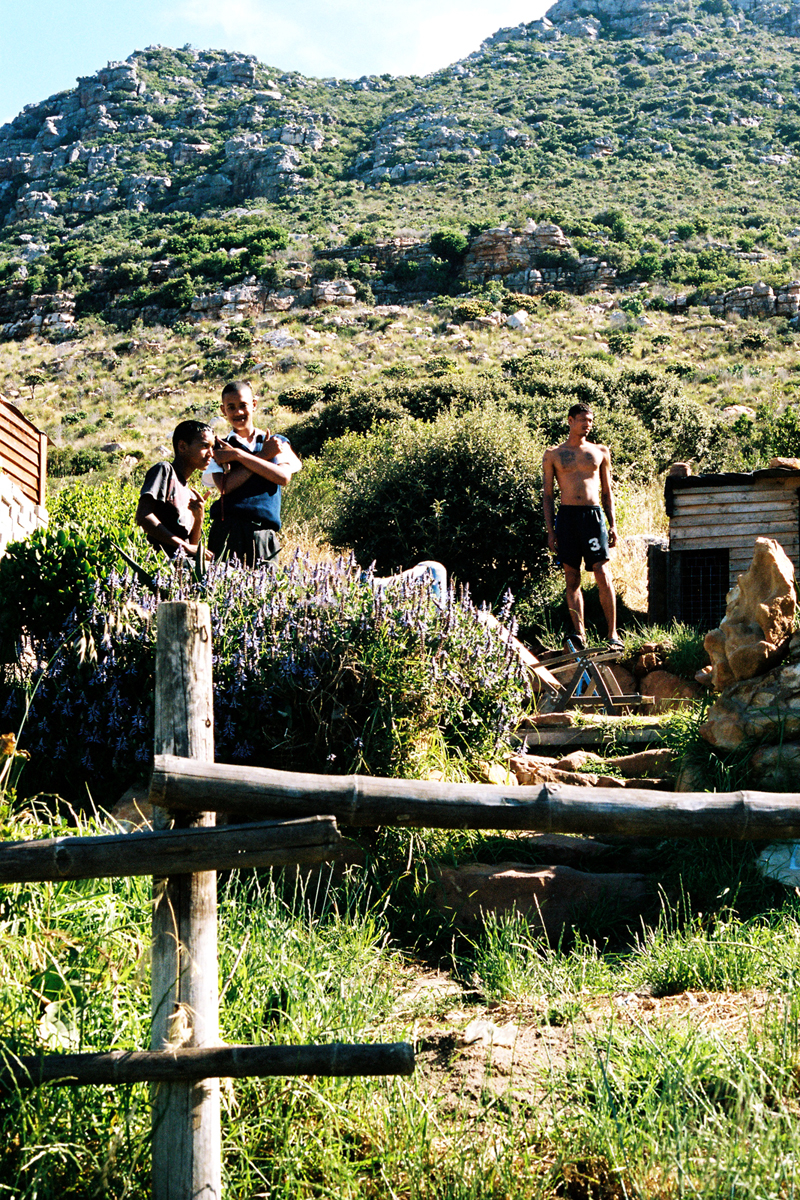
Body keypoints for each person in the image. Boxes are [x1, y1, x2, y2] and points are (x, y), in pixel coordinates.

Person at [542, 402, 621, 649]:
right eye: (583, 420)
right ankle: (581, 636)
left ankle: (613, 635)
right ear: (570, 421)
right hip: (567, 518)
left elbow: (607, 492)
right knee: (571, 576)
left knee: (601, 572)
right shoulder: (553, 454)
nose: (588, 425)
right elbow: (547, 495)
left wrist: (613, 524)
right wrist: (551, 530)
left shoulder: (600, 451)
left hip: (592, 516)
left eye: (591, 420)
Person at [202, 380, 302, 566]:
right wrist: (264, 456)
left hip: (263, 533)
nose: (238, 412)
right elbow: (225, 485)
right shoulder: (219, 448)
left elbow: (282, 477)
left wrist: (239, 456)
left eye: (243, 405)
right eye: (231, 407)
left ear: (254, 404)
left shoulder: (276, 441)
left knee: (264, 591)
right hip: (227, 532)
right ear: (223, 410)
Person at [136, 420, 214, 558]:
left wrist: (199, 518)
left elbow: (192, 546)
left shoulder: (189, 491)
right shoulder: (164, 471)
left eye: (212, 447)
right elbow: (143, 515)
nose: (211, 453)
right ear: (182, 446)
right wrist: (183, 546)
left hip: (181, 566)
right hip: (161, 564)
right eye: (204, 446)